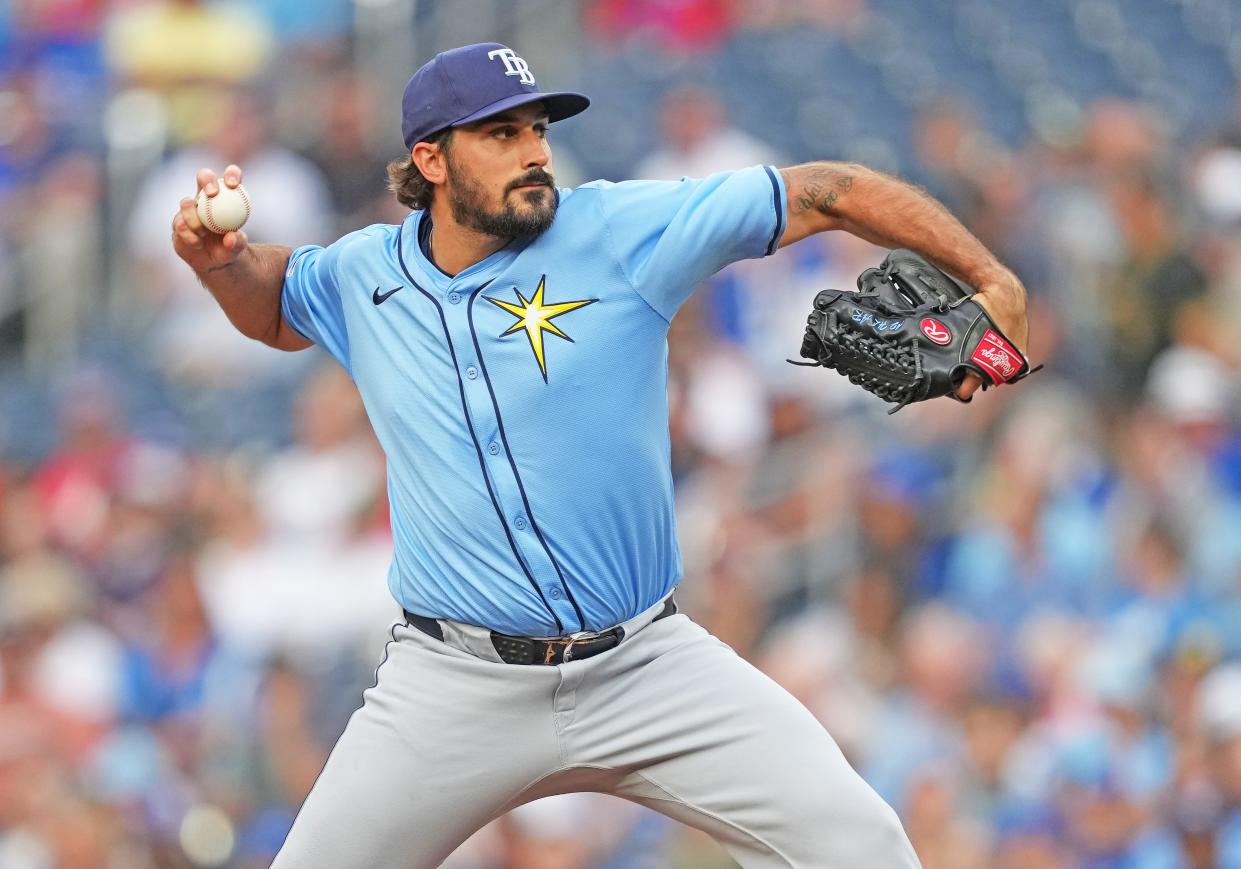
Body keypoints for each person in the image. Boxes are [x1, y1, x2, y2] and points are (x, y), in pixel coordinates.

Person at [170, 42, 1028, 868]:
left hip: (646, 666)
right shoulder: (364, 274)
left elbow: (831, 189)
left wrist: (991, 278)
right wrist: (222, 264)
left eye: (538, 128)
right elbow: (278, 303)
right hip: (453, 686)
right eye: (501, 134)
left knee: (861, 845)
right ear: (431, 160)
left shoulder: (617, 229)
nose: (534, 152)